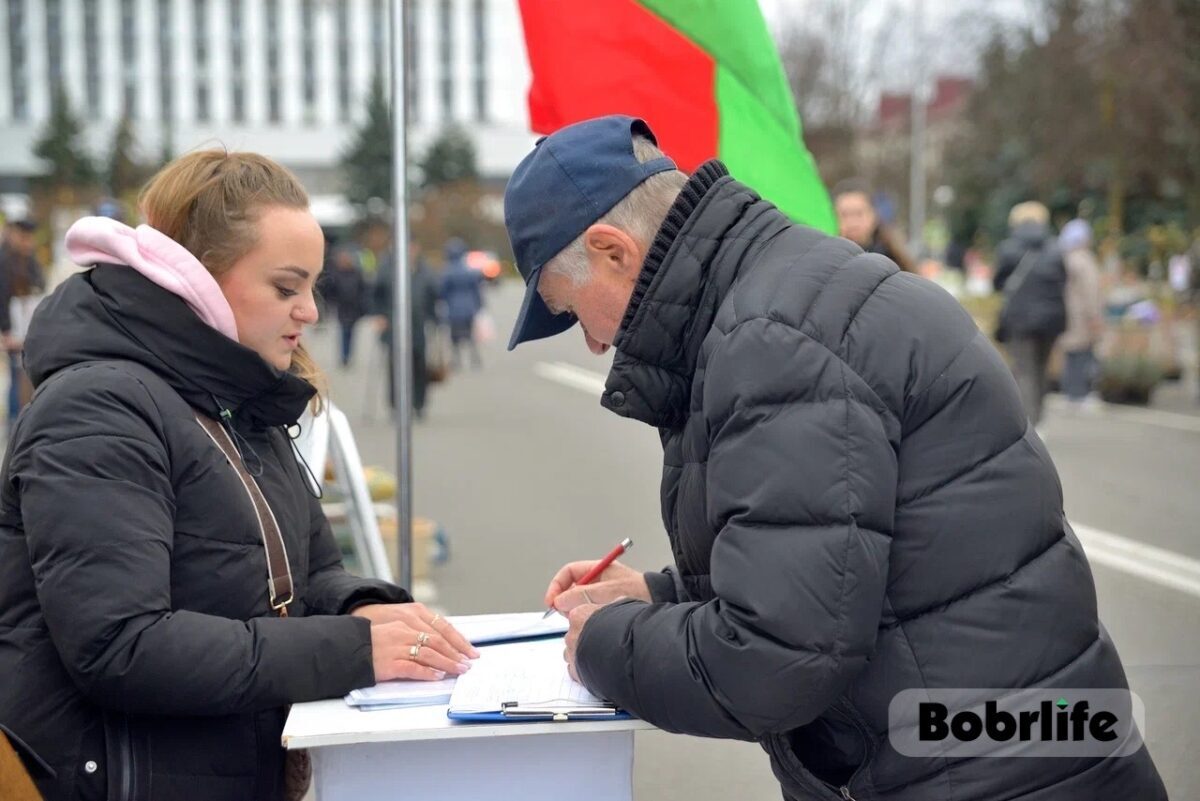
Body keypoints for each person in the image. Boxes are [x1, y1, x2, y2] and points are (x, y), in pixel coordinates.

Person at [504, 116, 1165, 801]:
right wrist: (660, 596)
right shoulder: (793, 291)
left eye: (571, 310)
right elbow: (840, 562)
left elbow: (776, 660)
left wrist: (602, 643)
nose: (592, 342)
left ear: (612, 250)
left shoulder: (774, 343)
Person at [0, 150, 476, 801]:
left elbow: (308, 575)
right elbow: (121, 646)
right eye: (286, 288)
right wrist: (353, 649)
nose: (310, 311)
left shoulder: (240, 399)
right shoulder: (97, 409)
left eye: (312, 287)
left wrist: (362, 607)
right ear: (192, 277)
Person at [993, 201, 1067, 430]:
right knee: (1042, 370)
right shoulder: (1055, 248)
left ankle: (1029, 424)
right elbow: (1062, 281)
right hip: (1051, 319)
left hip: (1020, 318)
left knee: (1024, 370)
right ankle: (1039, 421)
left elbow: (998, 283)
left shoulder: (1008, 248)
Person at [373, 241, 440, 416]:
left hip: (418, 327)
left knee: (419, 366)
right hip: (394, 327)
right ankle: (396, 404)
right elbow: (376, 294)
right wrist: (379, 315)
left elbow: (434, 295)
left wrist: (435, 318)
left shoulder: (425, 270)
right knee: (395, 367)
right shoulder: (387, 270)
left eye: (412, 248)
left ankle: (419, 403)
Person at [0, 218, 46, 426]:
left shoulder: (31, 261)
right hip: (13, 328)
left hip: (30, 326)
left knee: (29, 376)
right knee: (16, 376)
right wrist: (6, 331)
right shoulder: (4, 262)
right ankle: (14, 423)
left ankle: (25, 421)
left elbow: (40, 286)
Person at [1058, 218, 1105, 407]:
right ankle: (1080, 394)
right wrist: (1094, 316)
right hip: (1082, 316)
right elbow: (1091, 291)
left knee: (1071, 355)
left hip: (1068, 313)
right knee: (1082, 354)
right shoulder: (1084, 261)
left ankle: (1070, 393)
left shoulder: (1065, 258)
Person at [832, 178, 915, 272]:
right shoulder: (828, 259)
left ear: (874, 215)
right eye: (844, 215)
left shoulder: (895, 261)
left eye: (859, 214)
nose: (852, 223)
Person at [438, 237, 484, 369]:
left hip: (454, 309)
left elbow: (442, 292)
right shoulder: (470, 271)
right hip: (469, 307)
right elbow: (476, 290)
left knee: (455, 337)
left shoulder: (447, 272)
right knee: (470, 335)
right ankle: (475, 359)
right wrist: (479, 305)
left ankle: (456, 360)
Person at [326, 245, 368, 367]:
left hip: (354, 309)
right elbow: (330, 291)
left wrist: (363, 306)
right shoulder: (335, 274)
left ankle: (348, 354)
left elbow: (363, 290)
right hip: (342, 309)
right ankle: (344, 356)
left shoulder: (357, 273)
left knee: (351, 333)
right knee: (344, 331)